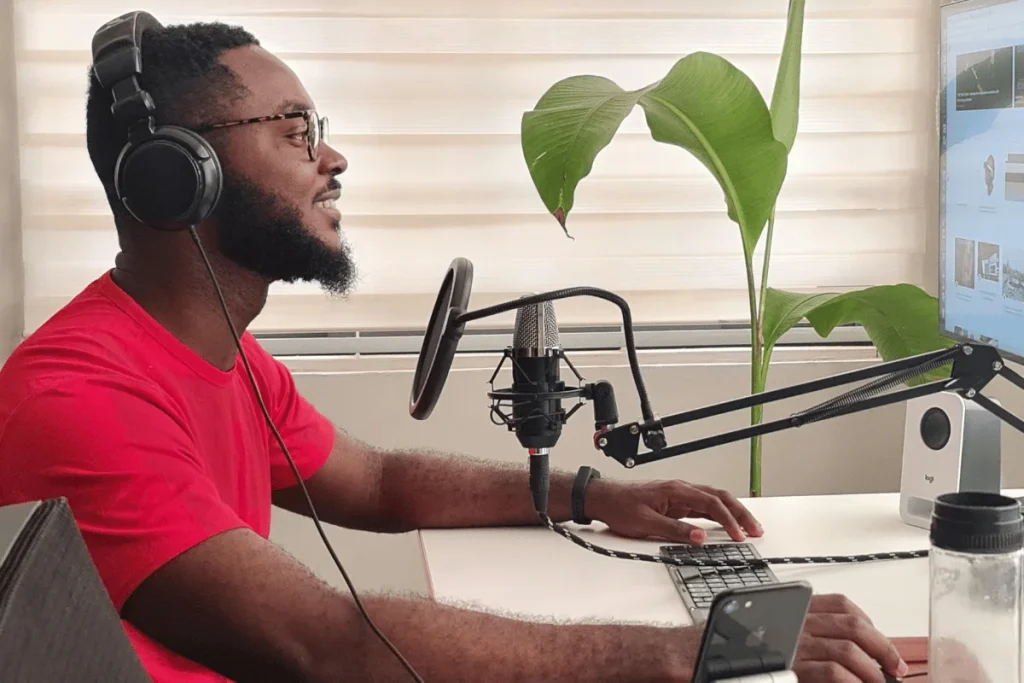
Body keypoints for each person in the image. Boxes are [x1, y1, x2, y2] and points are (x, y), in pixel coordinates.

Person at [0, 17, 910, 683]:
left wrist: (589, 494)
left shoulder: (222, 357)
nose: (335, 158)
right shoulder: (81, 397)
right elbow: (328, 644)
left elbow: (379, 480)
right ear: (176, 176)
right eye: (296, 132)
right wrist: (691, 652)